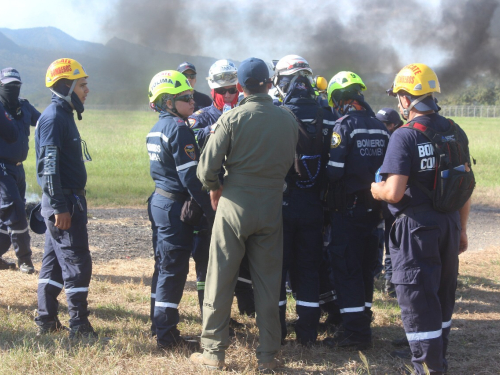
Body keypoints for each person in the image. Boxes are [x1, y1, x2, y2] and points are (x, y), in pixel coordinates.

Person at [190, 57, 298, 372]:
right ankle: (268, 356)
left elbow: (206, 169)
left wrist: (215, 186)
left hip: (234, 205)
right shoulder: (288, 119)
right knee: (267, 282)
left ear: (239, 87)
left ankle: (213, 351)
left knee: (220, 278)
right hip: (271, 207)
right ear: (268, 83)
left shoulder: (231, 119)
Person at [371, 63, 472, 374]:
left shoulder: (404, 136)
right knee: (441, 296)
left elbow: (395, 192)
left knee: (418, 301)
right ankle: (438, 361)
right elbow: (466, 185)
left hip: (416, 231)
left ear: (405, 98)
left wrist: (375, 188)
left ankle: (428, 368)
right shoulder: (455, 131)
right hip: (449, 223)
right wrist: (462, 230)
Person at [272, 54, 337, 346]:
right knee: (308, 269)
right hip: (315, 205)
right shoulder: (329, 113)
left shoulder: (276, 114)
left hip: (281, 207)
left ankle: (277, 332)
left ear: (281, 81)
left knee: (278, 270)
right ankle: (308, 334)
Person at [146, 70, 214, 350]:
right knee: (173, 270)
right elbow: (190, 176)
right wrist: (209, 206)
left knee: (163, 266)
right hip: (174, 206)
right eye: (185, 98)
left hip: (160, 202)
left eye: (191, 96)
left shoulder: (156, 128)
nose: (193, 101)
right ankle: (167, 335)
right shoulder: (179, 128)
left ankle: (157, 324)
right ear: (167, 102)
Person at [323, 71, 389, 350]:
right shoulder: (380, 126)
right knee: (364, 267)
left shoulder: (343, 126)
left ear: (338, 99)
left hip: (348, 209)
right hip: (375, 208)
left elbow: (334, 172)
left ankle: (355, 334)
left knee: (346, 268)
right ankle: (363, 319)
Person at [34, 58, 96, 338]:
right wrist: (60, 206)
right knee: (76, 262)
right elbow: (48, 168)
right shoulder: (53, 118)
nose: (87, 90)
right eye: (82, 85)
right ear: (67, 85)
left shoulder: (63, 114)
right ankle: (79, 326)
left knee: (54, 262)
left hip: (67, 202)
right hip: (64, 204)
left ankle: (46, 319)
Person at [0, 67, 41, 273]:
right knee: (16, 212)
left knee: (5, 216)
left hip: (18, 169)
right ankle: (24, 259)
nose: (13, 89)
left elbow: (42, 122)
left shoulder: (24, 107)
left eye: (16, 85)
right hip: (1, 169)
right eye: (8, 86)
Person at [375, 107, 403, 297]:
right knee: (387, 239)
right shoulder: (384, 138)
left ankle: (393, 282)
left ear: (393, 125)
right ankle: (389, 281)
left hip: (397, 199)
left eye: (383, 124)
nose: (380, 127)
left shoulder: (398, 140)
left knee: (395, 241)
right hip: (383, 197)